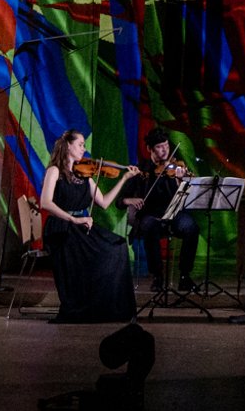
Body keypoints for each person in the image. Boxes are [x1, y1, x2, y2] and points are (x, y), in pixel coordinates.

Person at [39, 130, 140, 323]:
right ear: (68, 145)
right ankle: (83, 305)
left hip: (79, 227)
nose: (84, 149)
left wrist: (124, 179)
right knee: (101, 252)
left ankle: (105, 306)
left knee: (117, 245)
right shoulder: (55, 171)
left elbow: (104, 202)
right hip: (61, 228)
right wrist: (74, 219)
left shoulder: (85, 174)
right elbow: (45, 203)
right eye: (81, 144)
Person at [118, 128, 201, 290]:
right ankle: (157, 276)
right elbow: (120, 201)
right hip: (150, 216)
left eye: (166, 146)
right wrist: (131, 199)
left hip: (174, 215)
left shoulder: (175, 168)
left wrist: (181, 181)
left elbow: (189, 197)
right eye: (159, 147)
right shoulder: (141, 170)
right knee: (149, 226)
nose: (165, 150)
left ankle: (184, 276)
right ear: (150, 149)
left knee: (191, 227)